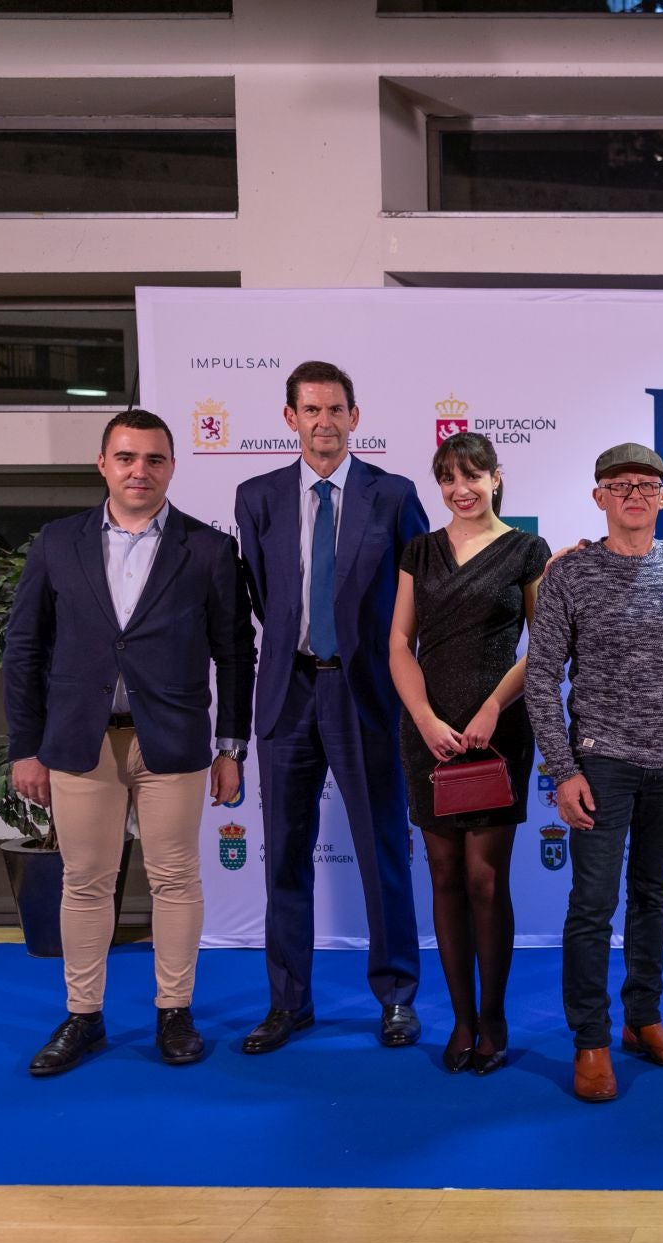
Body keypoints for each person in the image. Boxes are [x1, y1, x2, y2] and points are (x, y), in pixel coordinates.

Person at [4, 409, 254, 1075]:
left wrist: (232, 748)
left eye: (153, 459)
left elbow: (235, 654)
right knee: (85, 880)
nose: (139, 470)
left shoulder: (207, 548)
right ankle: (82, 1016)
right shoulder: (59, 542)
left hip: (171, 739)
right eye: (126, 458)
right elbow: (24, 648)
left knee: (175, 878)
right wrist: (25, 746)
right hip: (80, 742)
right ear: (103, 465)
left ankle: (175, 1011)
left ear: (171, 466)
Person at [233, 360, 429, 1054]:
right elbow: (264, 596)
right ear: (290, 418)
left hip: (365, 691)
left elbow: (419, 598)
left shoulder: (394, 494)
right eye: (310, 410)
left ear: (355, 416)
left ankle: (398, 996)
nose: (324, 422)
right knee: (283, 851)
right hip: (288, 692)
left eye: (335, 409)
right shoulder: (255, 497)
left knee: (382, 848)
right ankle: (289, 1003)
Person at [525, 443, 663, 1104]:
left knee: (653, 896)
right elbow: (542, 682)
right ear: (598, 496)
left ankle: (642, 1019)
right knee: (593, 907)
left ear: (662, 496)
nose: (634, 495)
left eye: (647, 485)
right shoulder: (568, 574)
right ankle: (590, 1040)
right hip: (600, 761)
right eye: (619, 485)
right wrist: (563, 769)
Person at [388, 433, 549, 1076]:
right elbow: (400, 643)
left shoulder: (526, 549)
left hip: (497, 732)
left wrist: (490, 709)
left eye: (473, 475)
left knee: (486, 879)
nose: (461, 488)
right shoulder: (419, 550)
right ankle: (459, 1017)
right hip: (427, 735)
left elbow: (543, 648)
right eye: (449, 477)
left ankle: (495, 1016)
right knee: (444, 876)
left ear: (496, 478)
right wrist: (425, 718)